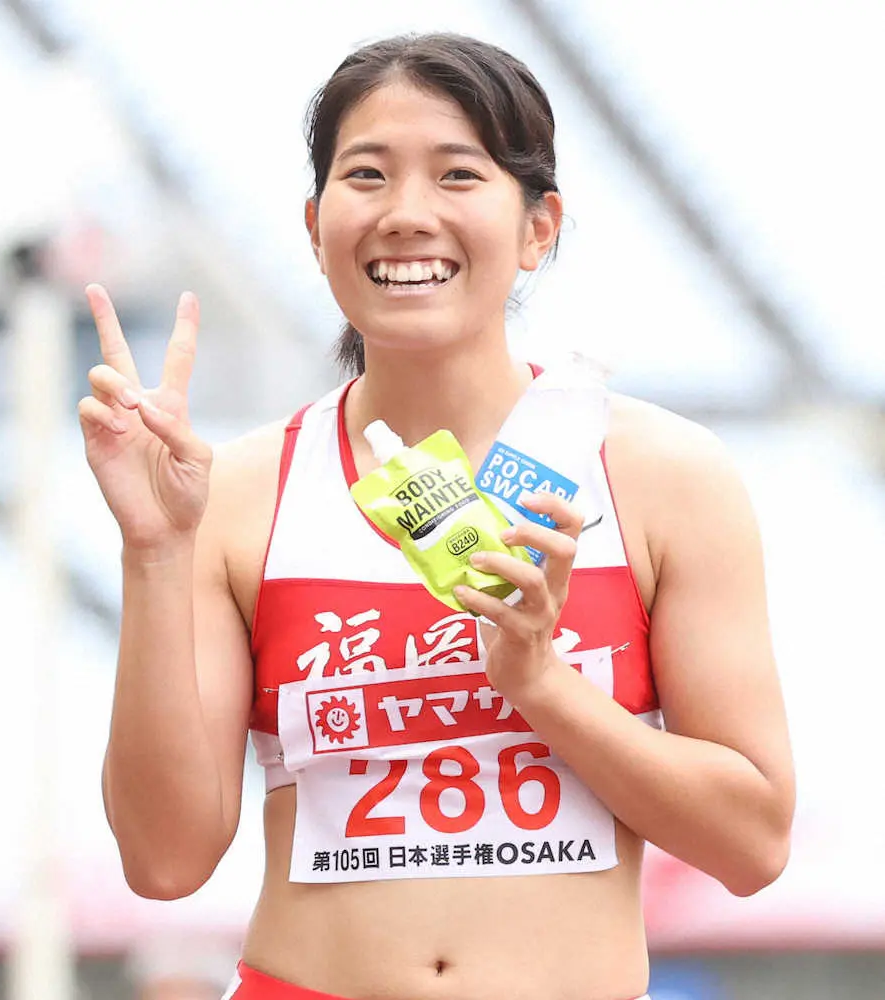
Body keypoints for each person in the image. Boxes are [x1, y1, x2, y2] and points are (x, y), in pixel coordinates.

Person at [78, 33, 795, 1000]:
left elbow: (751, 845)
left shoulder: (660, 475)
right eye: (365, 175)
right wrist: (155, 553)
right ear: (314, 225)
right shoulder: (232, 492)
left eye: (457, 174)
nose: (406, 214)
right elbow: (165, 863)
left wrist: (541, 684)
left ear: (539, 226)